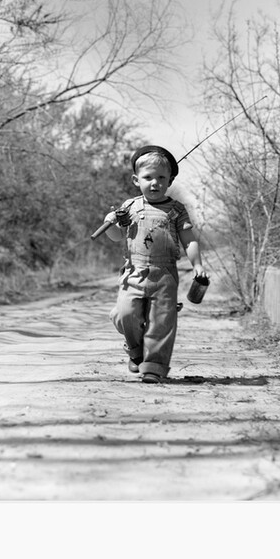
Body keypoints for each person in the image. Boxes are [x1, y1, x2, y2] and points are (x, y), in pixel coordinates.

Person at [102, 145, 207, 383]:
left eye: (161, 177)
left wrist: (197, 266)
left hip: (165, 274)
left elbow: (189, 240)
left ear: (169, 181)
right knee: (124, 314)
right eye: (148, 177)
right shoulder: (129, 207)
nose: (154, 183)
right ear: (135, 179)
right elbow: (118, 236)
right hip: (134, 272)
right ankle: (135, 348)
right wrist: (111, 224)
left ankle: (154, 367)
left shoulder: (177, 210)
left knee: (162, 321)